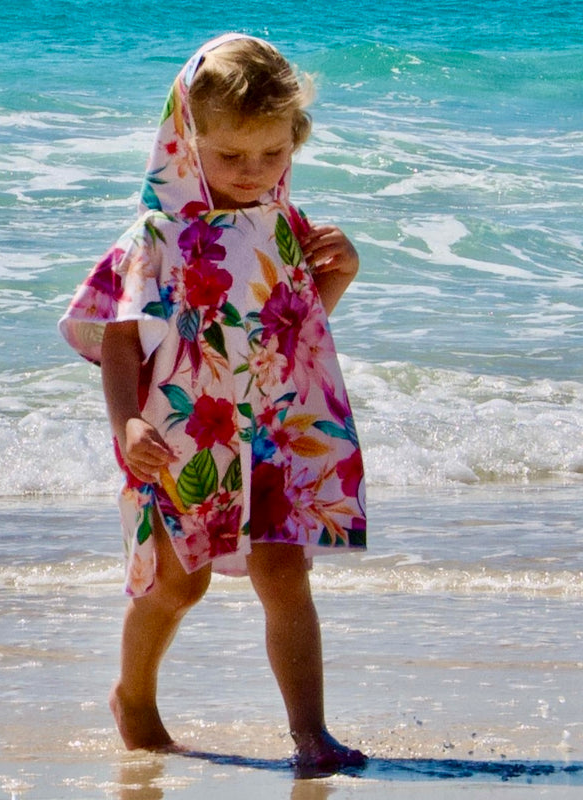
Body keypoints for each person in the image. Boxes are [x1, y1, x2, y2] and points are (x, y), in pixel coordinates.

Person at [59, 33, 367, 773]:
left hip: (275, 426)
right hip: (183, 432)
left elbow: (295, 326)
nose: (253, 172)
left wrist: (342, 275)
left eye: (272, 155)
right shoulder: (159, 236)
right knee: (178, 583)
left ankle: (310, 733)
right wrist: (126, 420)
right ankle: (134, 697)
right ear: (187, 139)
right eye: (231, 156)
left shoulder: (288, 228)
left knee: (286, 573)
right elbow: (122, 341)